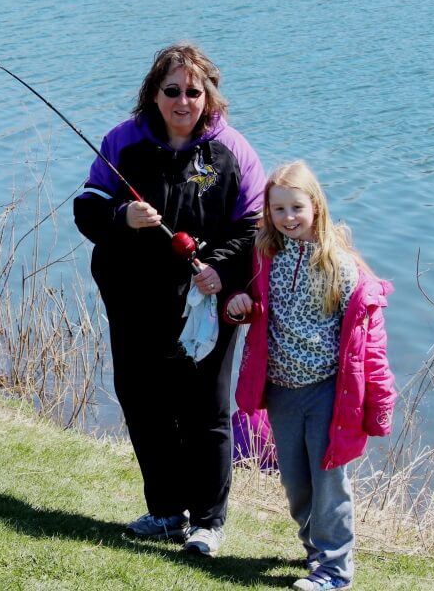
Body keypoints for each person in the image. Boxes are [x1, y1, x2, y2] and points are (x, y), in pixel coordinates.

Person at [74, 42, 266, 556]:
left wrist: (219, 270)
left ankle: (208, 522)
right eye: (172, 90)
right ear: (154, 94)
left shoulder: (234, 152)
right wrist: (122, 218)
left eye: (194, 91)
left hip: (208, 304)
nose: (184, 101)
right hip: (133, 300)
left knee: (206, 411)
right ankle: (165, 512)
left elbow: (255, 229)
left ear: (210, 96)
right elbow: (88, 208)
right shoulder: (123, 142)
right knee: (144, 403)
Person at [225, 161, 396, 591]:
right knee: (295, 481)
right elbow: (254, 303)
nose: (287, 218)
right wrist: (240, 303)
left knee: (329, 482)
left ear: (316, 207)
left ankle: (335, 571)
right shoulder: (266, 255)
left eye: (296, 207)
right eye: (278, 209)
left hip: (326, 392)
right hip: (281, 389)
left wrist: (378, 402)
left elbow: (367, 344)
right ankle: (316, 550)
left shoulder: (340, 267)